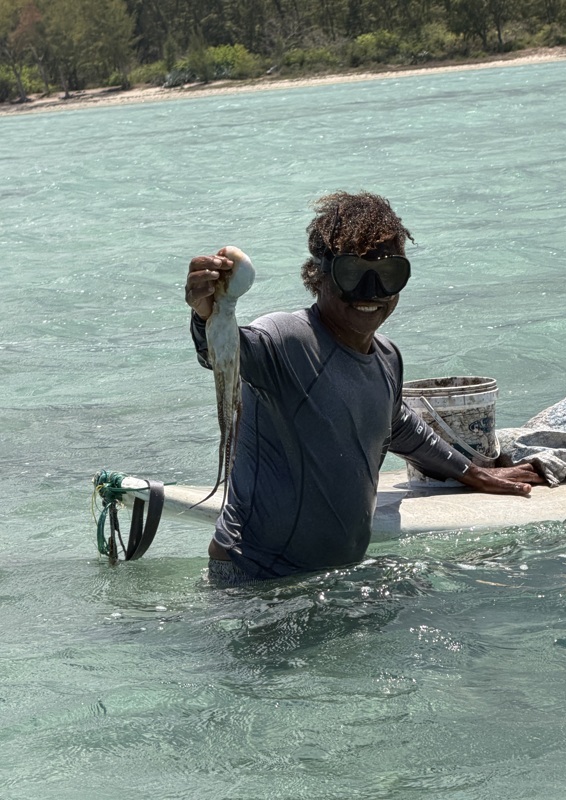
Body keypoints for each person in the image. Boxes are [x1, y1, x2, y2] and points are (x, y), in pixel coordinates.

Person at [185, 191, 544, 582]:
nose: (371, 291)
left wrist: (472, 472)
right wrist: (210, 315)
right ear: (318, 274)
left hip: (332, 577)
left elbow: (398, 425)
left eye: (388, 274)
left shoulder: (387, 358)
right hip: (253, 578)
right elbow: (224, 352)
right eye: (353, 273)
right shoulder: (287, 339)